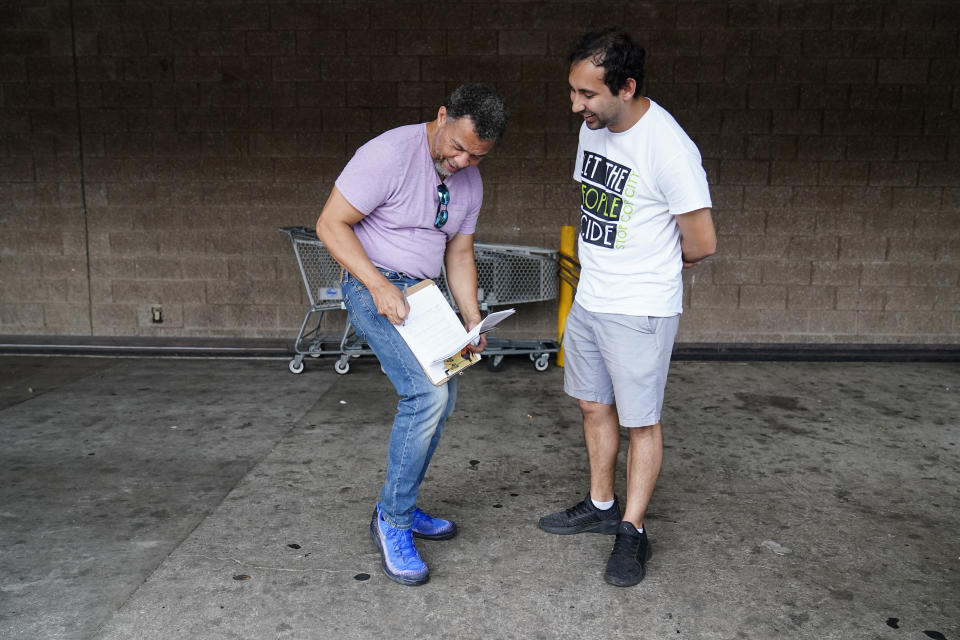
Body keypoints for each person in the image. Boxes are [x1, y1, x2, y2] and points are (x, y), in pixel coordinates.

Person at [539, 27, 717, 587]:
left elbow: (703, 242)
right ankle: (599, 503)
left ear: (627, 86)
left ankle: (632, 529)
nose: (576, 105)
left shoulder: (669, 148)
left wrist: (662, 264)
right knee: (594, 407)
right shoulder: (595, 128)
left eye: (587, 94)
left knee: (642, 422)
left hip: (640, 306)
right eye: (573, 90)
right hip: (592, 297)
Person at [315, 84, 509, 586]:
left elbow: (459, 254)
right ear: (442, 116)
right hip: (372, 281)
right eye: (458, 147)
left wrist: (471, 318)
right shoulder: (387, 154)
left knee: (443, 398)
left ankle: (399, 502)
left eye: (477, 155)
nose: (463, 161)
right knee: (425, 395)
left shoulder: (470, 181)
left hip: (423, 294)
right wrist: (378, 286)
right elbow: (330, 224)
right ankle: (393, 521)